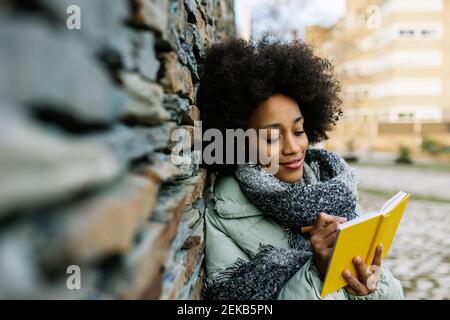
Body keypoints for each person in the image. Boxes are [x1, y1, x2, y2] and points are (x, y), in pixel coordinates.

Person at [197, 37, 404, 300]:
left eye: (298, 130)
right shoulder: (223, 214)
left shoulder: (333, 190)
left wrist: (371, 287)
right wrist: (317, 273)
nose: (293, 147)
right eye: (272, 138)